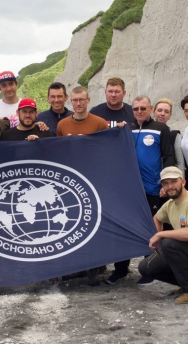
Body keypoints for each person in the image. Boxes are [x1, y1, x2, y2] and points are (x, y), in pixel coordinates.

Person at [108, 95, 176, 285]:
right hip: (128, 190)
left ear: (150, 108)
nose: (139, 112)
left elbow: (168, 157)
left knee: (150, 229)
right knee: (124, 228)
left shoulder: (160, 129)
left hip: (152, 188)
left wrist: (166, 184)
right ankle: (120, 269)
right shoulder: (126, 129)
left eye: (143, 108)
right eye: (136, 108)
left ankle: (150, 270)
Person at [138, 167, 188, 304]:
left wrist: (160, 235)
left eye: (173, 181)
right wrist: (158, 235)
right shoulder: (170, 204)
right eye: (165, 183)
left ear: (183, 182)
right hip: (185, 252)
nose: (170, 186)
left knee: (169, 243)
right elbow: (157, 218)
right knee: (145, 267)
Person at [56, 86, 108, 285]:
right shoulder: (62, 125)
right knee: (72, 222)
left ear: (88, 100)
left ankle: (94, 268)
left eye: (82, 100)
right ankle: (75, 267)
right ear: (71, 101)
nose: (78, 104)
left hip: (93, 180)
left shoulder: (99, 123)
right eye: (75, 100)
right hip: (70, 182)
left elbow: (107, 150)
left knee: (93, 223)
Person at [154, 98, 185, 174]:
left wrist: (181, 183)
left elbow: (180, 163)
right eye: (159, 110)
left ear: (170, 115)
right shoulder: (145, 132)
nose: (162, 114)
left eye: (166, 112)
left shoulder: (175, 135)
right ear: (153, 112)